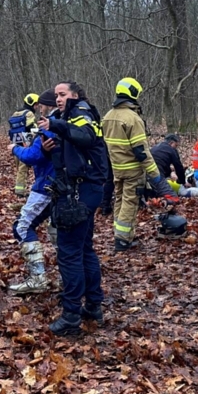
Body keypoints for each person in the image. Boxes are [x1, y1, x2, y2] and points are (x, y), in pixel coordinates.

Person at [38, 82, 110, 336]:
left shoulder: (81, 113)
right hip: (80, 188)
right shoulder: (68, 116)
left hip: (80, 192)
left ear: (75, 95)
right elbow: (73, 151)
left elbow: (86, 136)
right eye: (56, 95)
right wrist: (50, 149)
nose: (58, 99)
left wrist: (55, 126)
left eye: (62, 94)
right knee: (83, 248)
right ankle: (92, 305)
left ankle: (70, 316)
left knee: (69, 252)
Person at [101, 78, 176, 251]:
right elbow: (141, 151)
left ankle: (118, 235)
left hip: (116, 168)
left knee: (119, 200)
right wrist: (155, 174)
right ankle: (123, 240)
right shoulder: (132, 118)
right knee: (129, 202)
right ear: (133, 93)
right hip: (132, 170)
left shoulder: (108, 116)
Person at [7, 89, 60, 295]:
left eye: (42, 105)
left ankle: (37, 277)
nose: (40, 109)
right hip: (59, 185)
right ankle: (67, 277)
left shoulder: (49, 126)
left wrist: (14, 149)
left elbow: (33, 155)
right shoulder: (64, 123)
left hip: (46, 185)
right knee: (56, 229)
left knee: (22, 227)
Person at [9, 93, 40, 199]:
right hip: (25, 142)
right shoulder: (29, 114)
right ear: (33, 104)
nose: (37, 107)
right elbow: (32, 128)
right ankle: (20, 192)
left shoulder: (16, 113)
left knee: (19, 168)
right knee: (23, 168)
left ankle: (21, 189)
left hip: (15, 142)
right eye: (36, 104)